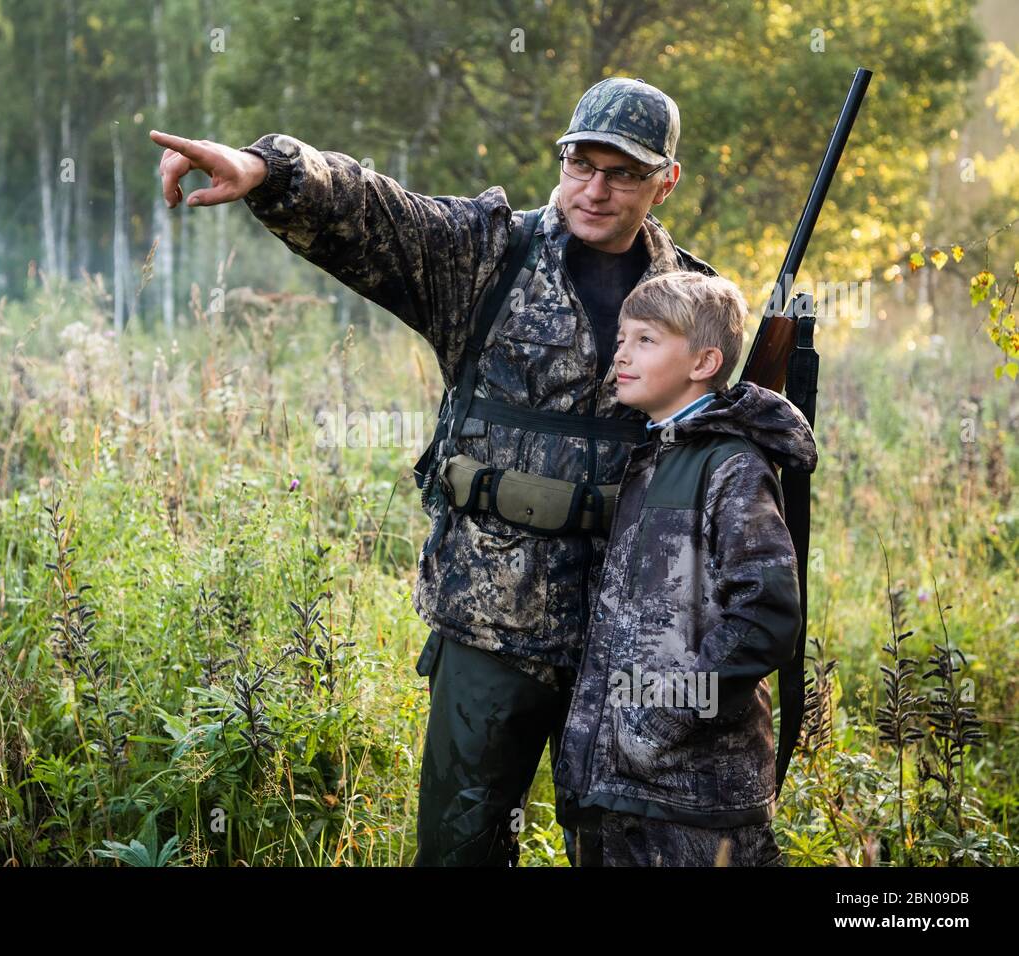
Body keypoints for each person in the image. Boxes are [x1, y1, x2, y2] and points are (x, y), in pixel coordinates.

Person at [150, 77, 719, 866]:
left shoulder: (694, 301)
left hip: (635, 634)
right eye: (580, 164)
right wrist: (268, 170)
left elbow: (725, 455)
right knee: (462, 849)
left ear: (667, 180)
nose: (595, 190)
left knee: (632, 852)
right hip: (492, 623)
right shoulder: (488, 255)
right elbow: (373, 210)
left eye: (623, 173)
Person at [552, 270, 818, 866]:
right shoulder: (647, 454)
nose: (622, 354)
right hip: (616, 789)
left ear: (704, 362)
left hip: (694, 795)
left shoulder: (732, 467)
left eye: (646, 340)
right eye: (621, 339)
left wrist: (660, 720)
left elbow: (765, 617)